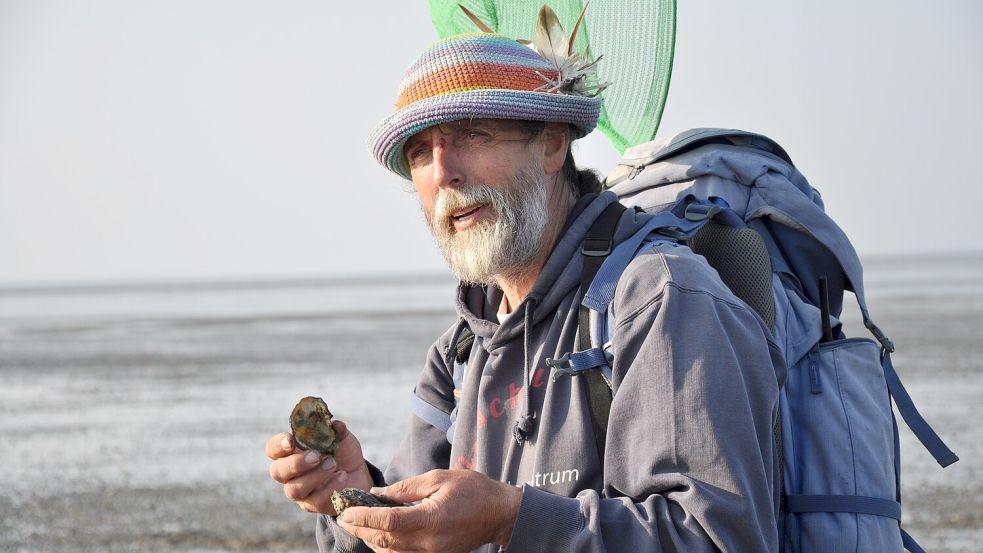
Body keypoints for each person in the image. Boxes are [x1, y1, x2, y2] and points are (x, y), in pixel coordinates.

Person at [266, 29, 785, 553]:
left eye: (472, 134)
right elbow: (415, 532)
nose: (444, 172)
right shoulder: (459, 354)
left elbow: (718, 540)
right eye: (421, 152)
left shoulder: (660, 301)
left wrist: (510, 521)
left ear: (553, 143)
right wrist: (353, 494)